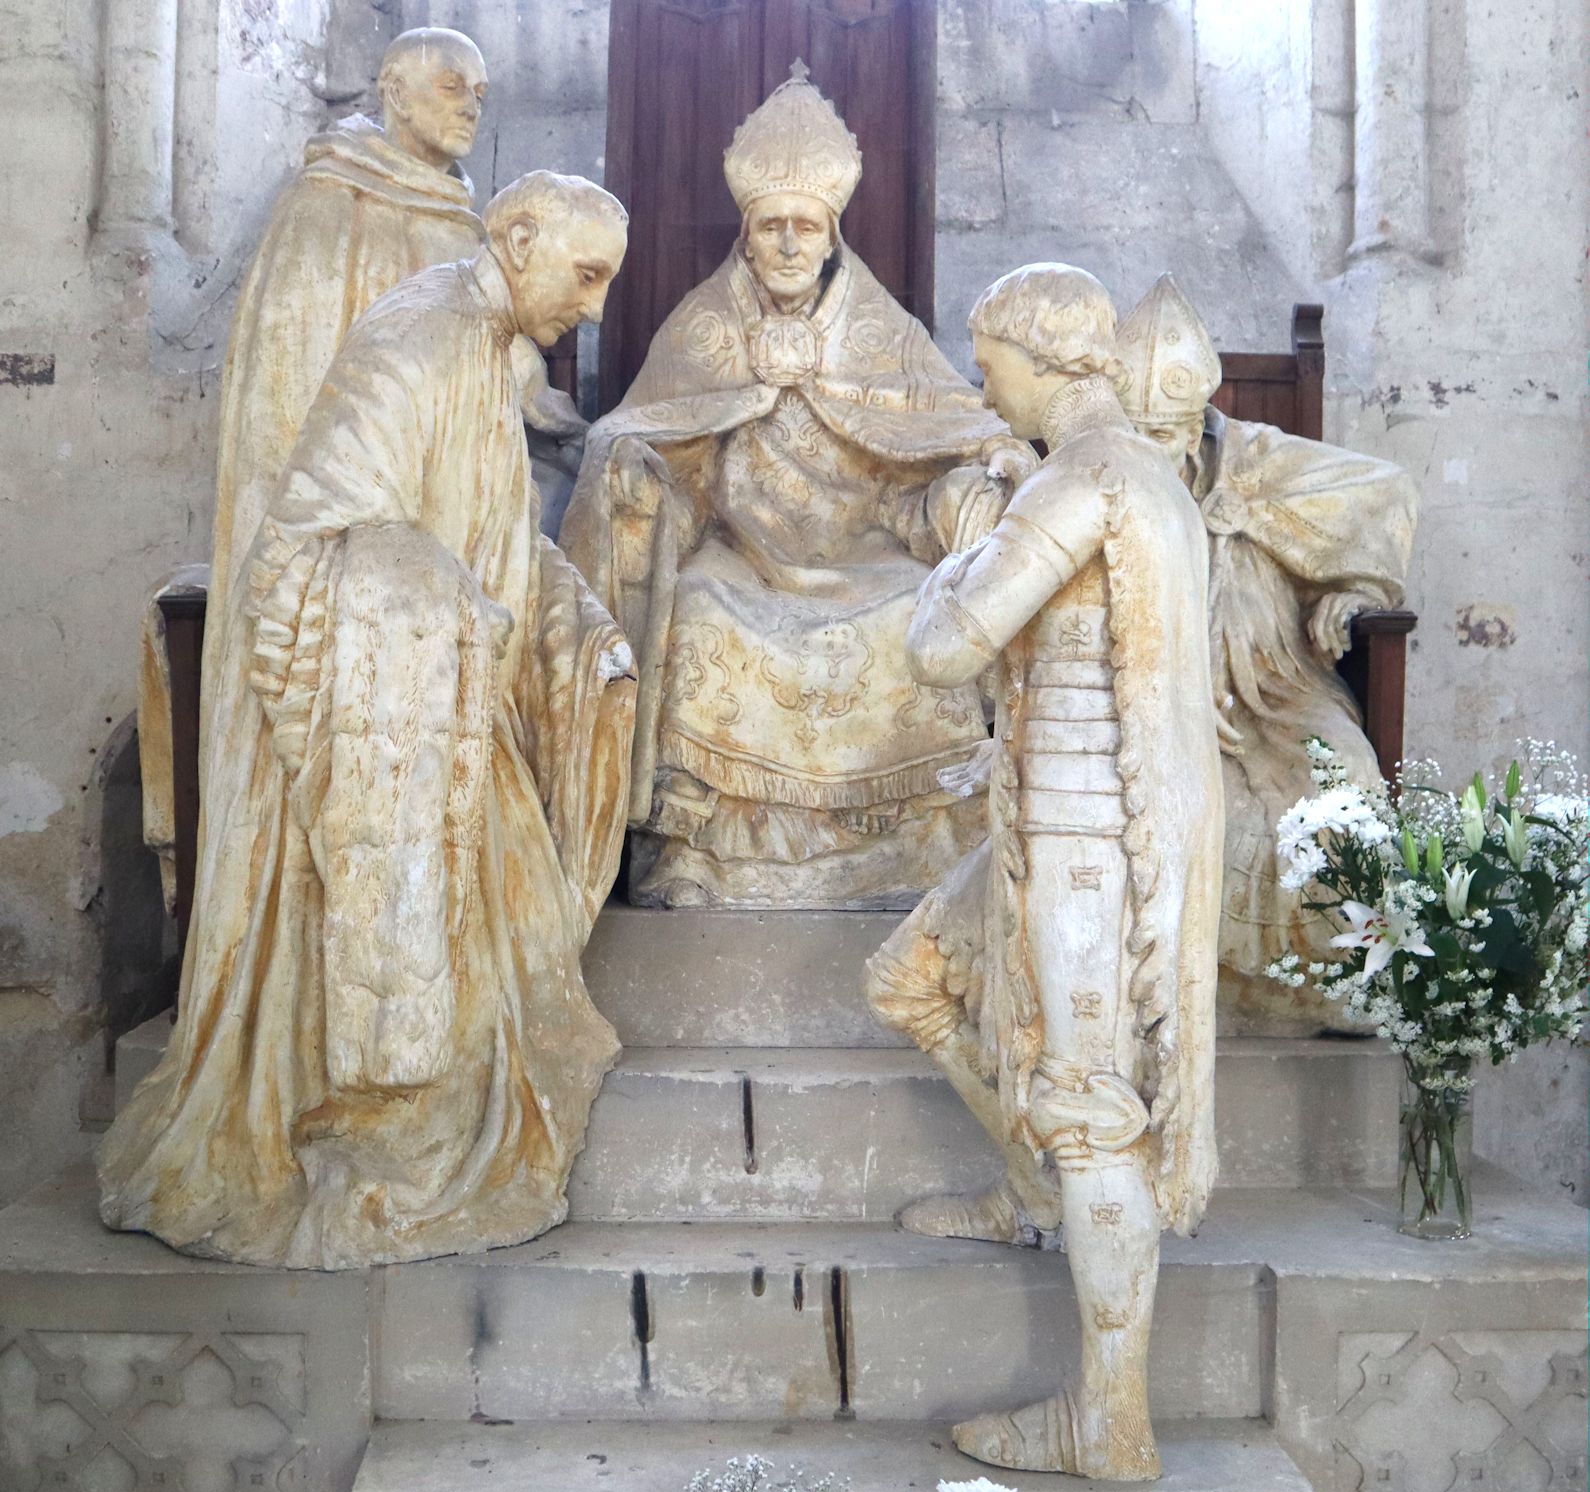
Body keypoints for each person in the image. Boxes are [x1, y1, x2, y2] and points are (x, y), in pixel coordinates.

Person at [100, 174, 635, 1269]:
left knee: (526, 971)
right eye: (585, 275)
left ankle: (419, 1140)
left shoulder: (481, 346)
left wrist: (564, 622)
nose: (593, 305)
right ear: (518, 238)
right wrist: (443, 630)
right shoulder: (421, 340)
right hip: (389, 725)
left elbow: (480, 521)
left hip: (449, 707)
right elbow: (310, 546)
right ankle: (374, 1149)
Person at [866, 265, 1223, 1478]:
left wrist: (959, 559)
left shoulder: (1086, 480)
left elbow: (941, 645)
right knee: (907, 979)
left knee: (1092, 1116)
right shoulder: (1134, 477)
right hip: (1046, 829)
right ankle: (1030, 1192)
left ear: (1042, 355)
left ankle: (1108, 1419)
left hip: (1087, 847)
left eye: (989, 356)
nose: (979, 379)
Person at [560, 65, 1033, 908]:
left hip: (867, 558)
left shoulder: (881, 332)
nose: (785, 243)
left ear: (830, 237)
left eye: (803, 228)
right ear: (745, 236)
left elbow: (942, 442)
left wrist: (985, 475)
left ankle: (916, 852)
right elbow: (655, 450)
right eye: (770, 225)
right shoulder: (704, 330)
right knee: (697, 614)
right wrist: (645, 486)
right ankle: (699, 857)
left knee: (926, 614)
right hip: (743, 560)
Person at [1116, 275, 1416, 1026]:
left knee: (1341, 779)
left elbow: (1383, 489)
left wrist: (1352, 586)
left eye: (1160, 436)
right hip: (1137, 699)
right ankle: (1193, 992)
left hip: (1274, 687)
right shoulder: (1095, 476)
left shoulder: (1254, 459)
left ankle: (1324, 988)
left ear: (1197, 424)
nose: (1145, 453)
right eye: (1132, 433)